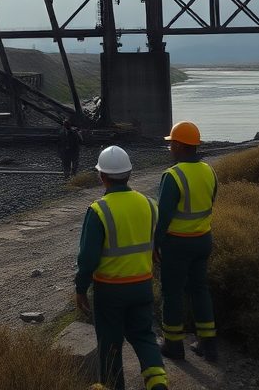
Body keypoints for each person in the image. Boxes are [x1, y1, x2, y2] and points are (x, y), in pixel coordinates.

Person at [75, 145, 167, 390]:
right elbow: (159, 238)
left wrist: (80, 288)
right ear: (130, 173)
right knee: (144, 336)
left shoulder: (99, 210)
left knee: (110, 344)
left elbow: (87, 258)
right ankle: (158, 384)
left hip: (110, 290)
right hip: (142, 285)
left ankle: (114, 386)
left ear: (102, 176)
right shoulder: (149, 204)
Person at [156, 121, 219, 363]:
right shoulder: (209, 171)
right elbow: (210, 201)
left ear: (180, 146)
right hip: (203, 239)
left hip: (178, 243)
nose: (170, 146)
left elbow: (163, 217)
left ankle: (173, 345)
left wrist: (155, 243)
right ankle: (208, 345)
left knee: (171, 292)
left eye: (172, 142)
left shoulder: (173, 176)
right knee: (199, 289)